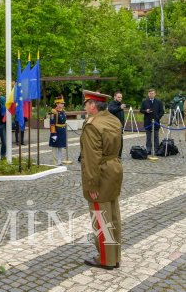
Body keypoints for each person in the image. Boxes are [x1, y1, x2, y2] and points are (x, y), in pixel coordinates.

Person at [80, 90, 122, 270]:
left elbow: (91, 158)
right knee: (113, 215)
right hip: (114, 168)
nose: (85, 107)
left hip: (101, 172)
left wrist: (91, 184)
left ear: (92, 106)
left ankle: (106, 259)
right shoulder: (113, 119)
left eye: (86, 103)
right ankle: (115, 256)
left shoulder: (92, 125)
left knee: (101, 217)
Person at [139, 88, 165, 155]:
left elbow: (162, 111)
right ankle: (148, 149)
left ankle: (157, 150)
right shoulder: (144, 101)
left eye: (153, 93)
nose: (151, 95)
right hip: (147, 122)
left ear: (155, 94)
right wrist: (146, 111)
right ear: (148, 94)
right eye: (150, 93)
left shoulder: (159, 102)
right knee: (148, 137)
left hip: (156, 122)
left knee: (156, 137)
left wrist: (158, 117)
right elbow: (141, 110)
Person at [49, 96, 67, 165]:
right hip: (56, 131)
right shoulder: (54, 112)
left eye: (63, 103)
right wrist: (53, 134)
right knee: (55, 147)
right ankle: (55, 162)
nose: (63, 104)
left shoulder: (63, 111)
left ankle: (59, 161)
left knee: (60, 147)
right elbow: (52, 124)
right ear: (57, 104)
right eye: (61, 103)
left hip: (62, 131)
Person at [108, 92, 126, 158]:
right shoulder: (111, 103)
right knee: (114, 142)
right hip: (113, 127)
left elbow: (121, 116)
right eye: (118, 97)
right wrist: (120, 108)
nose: (120, 98)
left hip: (120, 126)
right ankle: (113, 155)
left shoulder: (120, 104)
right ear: (114, 97)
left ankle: (119, 155)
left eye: (121, 97)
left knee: (120, 142)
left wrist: (123, 125)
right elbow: (110, 110)